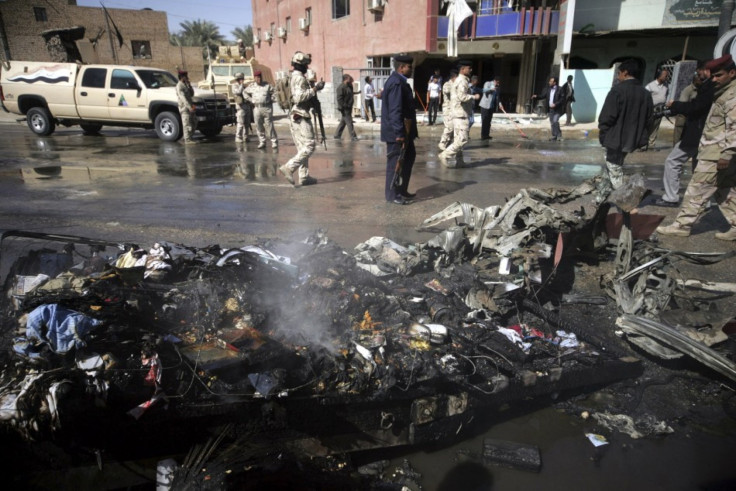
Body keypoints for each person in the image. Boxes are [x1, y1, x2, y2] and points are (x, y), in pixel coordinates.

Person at [657, 54, 736, 241]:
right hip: (716, 150)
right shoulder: (723, 91)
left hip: (717, 154)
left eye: (719, 75)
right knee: (725, 190)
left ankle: (682, 225)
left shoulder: (732, 96)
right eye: (713, 75)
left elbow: (734, 127)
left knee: (696, 189)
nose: (714, 79)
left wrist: (728, 153)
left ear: (732, 73)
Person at [654, 61, 714, 207]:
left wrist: (675, 105)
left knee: (672, 161)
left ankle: (671, 197)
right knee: (699, 168)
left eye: (698, 72)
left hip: (696, 134)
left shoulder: (710, 88)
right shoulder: (707, 87)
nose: (697, 75)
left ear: (704, 70)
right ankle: (703, 202)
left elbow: (695, 107)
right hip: (704, 134)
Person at [597, 59, 653, 199]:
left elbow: (606, 117)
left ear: (625, 73)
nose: (618, 77)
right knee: (611, 167)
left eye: (619, 73)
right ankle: (601, 198)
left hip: (614, 139)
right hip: (631, 139)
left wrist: (604, 135)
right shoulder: (645, 94)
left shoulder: (618, 91)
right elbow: (650, 119)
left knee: (615, 170)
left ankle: (625, 202)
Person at [279, 51, 324, 186]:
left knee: (302, 148)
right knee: (310, 145)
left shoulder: (295, 77)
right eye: (305, 65)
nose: (307, 67)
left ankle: (304, 176)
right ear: (300, 65)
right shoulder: (299, 78)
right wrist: (315, 89)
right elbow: (299, 97)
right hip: (301, 115)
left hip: (296, 115)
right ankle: (289, 167)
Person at [381, 54, 418, 205]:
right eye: (409, 67)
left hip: (405, 131)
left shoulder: (400, 82)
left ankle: (401, 189)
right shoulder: (396, 83)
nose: (412, 69)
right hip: (398, 133)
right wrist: (399, 133)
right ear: (401, 68)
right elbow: (395, 110)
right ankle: (392, 195)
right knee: (395, 163)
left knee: (408, 158)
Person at [438, 61, 480, 168]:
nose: (470, 70)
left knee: (458, 139)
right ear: (463, 69)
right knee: (463, 139)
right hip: (461, 114)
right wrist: (473, 97)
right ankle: (445, 155)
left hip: (457, 113)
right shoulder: (462, 81)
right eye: (469, 68)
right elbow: (462, 97)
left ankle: (459, 161)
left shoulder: (458, 80)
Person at [244, 70, 278, 149]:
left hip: (266, 108)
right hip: (257, 108)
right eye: (257, 78)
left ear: (261, 77)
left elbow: (275, 93)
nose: (258, 79)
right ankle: (262, 141)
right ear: (254, 78)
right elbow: (244, 92)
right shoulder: (252, 86)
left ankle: (274, 141)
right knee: (259, 126)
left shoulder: (267, 85)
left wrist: (272, 99)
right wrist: (250, 100)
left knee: (269, 126)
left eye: (259, 77)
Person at [644, 68, 670, 150]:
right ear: (659, 76)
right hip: (651, 110)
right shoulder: (650, 86)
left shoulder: (666, 86)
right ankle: (643, 144)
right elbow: (645, 98)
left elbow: (666, 96)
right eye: (665, 75)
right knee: (647, 127)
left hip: (660, 110)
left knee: (655, 127)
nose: (667, 77)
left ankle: (651, 144)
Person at [672, 72, 700, 146]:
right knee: (678, 139)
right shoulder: (688, 90)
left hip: (691, 119)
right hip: (683, 118)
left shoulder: (700, 90)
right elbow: (682, 104)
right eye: (699, 79)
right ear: (695, 80)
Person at [438, 69, 458, 151]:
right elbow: (448, 92)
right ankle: (442, 143)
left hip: (455, 109)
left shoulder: (456, 84)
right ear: (453, 77)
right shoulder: (447, 84)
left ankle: (448, 143)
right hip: (448, 109)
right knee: (449, 127)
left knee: (454, 128)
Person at [334, 74, 358, 141]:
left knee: (343, 121)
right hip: (344, 108)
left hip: (349, 106)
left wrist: (357, 93)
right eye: (349, 78)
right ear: (345, 79)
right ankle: (353, 136)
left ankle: (337, 135)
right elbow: (339, 99)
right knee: (349, 121)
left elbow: (350, 93)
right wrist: (344, 106)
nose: (350, 80)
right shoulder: (341, 87)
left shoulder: (349, 86)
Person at [176, 70, 197, 144]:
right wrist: (189, 107)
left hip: (190, 106)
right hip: (185, 107)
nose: (187, 78)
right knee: (186, 123)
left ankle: (190, 137)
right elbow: (183, 98)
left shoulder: (185, 85)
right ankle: (187, 140)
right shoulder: (179, 86)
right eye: (185, 76)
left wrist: (190, 85)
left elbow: (191, 94)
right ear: (182, 77)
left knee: (194, 122)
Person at [231, 72, 249, 143]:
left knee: (247, 123)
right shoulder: (235, 86)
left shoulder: (244, 85)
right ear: (238, 79)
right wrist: (241, 85)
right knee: (240, 123)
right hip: (240, 107)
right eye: (241, 79)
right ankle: (238, 137)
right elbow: (238, 92)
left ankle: (246, 136)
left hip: (246, 105)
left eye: (242, 79)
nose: (242, 80)